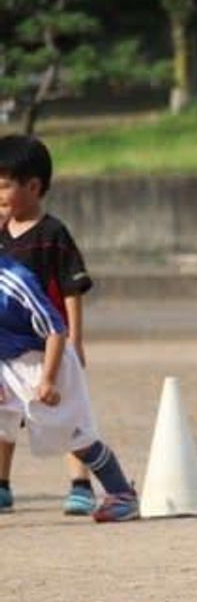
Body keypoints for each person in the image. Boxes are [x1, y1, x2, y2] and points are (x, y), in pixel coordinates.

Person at [0, 135, 98, 516]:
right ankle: (3, 483)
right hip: (8, 345)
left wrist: (76, 338)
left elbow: (72, 290)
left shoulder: (53, 234)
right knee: (5, 412)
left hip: (49, 344)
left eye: (6, 184)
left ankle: (80, 484)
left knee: (62, 412)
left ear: (34, 186)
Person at [0, 254, 139, 521]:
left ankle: (122, 495)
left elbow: (55, 329)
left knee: (73, 437)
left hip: (44, 360)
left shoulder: (15, 279)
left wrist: (48, 380)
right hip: (7, 362)